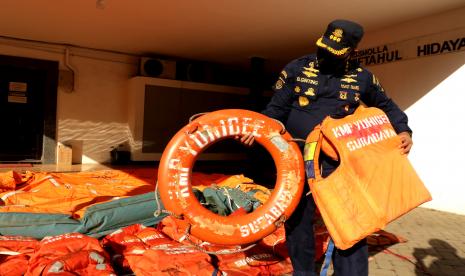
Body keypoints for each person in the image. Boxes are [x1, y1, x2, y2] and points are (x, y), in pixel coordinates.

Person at [240, 19, 413, 275]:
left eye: (335, 52)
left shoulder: (363, 78)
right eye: (325, 47)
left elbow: (387, 105)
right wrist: (260, 128)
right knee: (298, 222)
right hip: (297, 159)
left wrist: (403, 130)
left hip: (341, 163)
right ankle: (304, 272)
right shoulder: (297, 69)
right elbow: (276, 110)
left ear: (351, 51)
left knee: (352, 221)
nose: (327, 55)